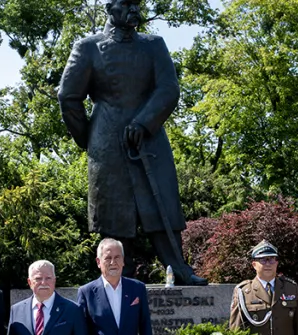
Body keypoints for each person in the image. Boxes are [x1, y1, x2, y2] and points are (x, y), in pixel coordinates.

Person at [57, 0, 206, 285]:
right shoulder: (88, 47)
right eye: (126, 4)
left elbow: (169, 88)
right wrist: (89, 139)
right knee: (115, 215)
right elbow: (68, 96)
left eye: (137, 4)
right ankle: (116, 275)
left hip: (150, 138)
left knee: (162, 202)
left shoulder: (154, 45)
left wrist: (144, 122)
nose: (134, 10)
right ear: (109, 8)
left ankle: (179, 267)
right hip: (107, 143)